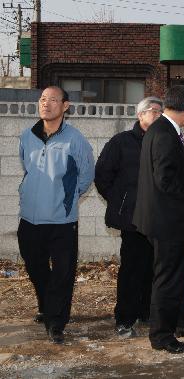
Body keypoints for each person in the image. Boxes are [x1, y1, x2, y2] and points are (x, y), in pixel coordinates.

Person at [132, 85, 184, 354]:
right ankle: (161, 335)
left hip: (168, 219)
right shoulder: (165, 134)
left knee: (178, 276)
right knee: (168, 279)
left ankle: (183, 322)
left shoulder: (160, 129)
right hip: (166, 221)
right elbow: (165, 180)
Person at [17, 86, 95, 344]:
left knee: (62, 273)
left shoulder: (75, 139)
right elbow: (26, 169)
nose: (46, 104)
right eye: (42, 99)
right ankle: (48, 306)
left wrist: (67, 200)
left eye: (52, 100)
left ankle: (56, 322)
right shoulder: (27, 136)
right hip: (29, 219)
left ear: (65, 106)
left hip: (62, 221)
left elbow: (85, 176)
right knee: (36, 268)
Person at [94, 96, 163, 338]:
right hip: (132, 219)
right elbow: (102, 175)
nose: (156, 114)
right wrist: (120, 200)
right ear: (140, 115)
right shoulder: (121, 142)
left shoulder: (165, 142)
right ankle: (125, 318)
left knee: (152, 269)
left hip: (157, 218)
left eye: (159, 111)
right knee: (132, 269)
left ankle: (146, 312)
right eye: (151, 111)